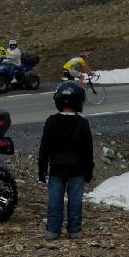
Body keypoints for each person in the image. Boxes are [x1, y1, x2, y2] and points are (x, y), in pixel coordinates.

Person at [38, 81, 94, 240]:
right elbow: (88, 151)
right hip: (77, 170)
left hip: (56, 169)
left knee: (55, 202)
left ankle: (53, 231)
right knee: (75, 203)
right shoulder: (82, 123)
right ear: (79, 100)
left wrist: (42, 168)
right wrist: (89, 171)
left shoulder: (51, 121)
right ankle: (74, 230)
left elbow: (44, 149)